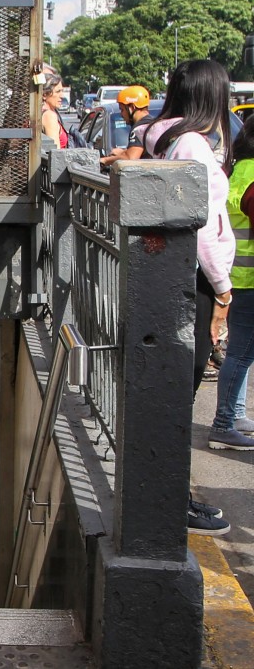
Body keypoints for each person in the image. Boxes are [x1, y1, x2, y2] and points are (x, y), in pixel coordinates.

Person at [138, 59, 236, 534]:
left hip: (170, 274)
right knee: (180, 391)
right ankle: (170, 500)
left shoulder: (163, 137)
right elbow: (204, 227)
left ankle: (169, 495)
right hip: (195, 278)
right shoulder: (194, 143)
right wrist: (223, 291)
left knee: (172, 389)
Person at [212, 116, 254, 451]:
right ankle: (224, 424)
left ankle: (235, 414)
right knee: (241, 354)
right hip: (249, 279)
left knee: (240, 350)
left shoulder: (236, 170)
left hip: (234, 274)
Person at [99, 84, 154, 166]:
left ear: (132, 107)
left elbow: (130, 158)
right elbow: (139, 151)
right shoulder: (151, 123)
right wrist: (123, 152)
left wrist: (105, 160)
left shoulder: (140, 129)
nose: (121, 114)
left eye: (122, 109)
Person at [40, 74, 68, 148]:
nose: (62, 96)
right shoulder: (49, 116)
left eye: (62, 91)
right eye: (58, 91)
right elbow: (55, 152)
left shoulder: (39, 113)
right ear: (44, 94)